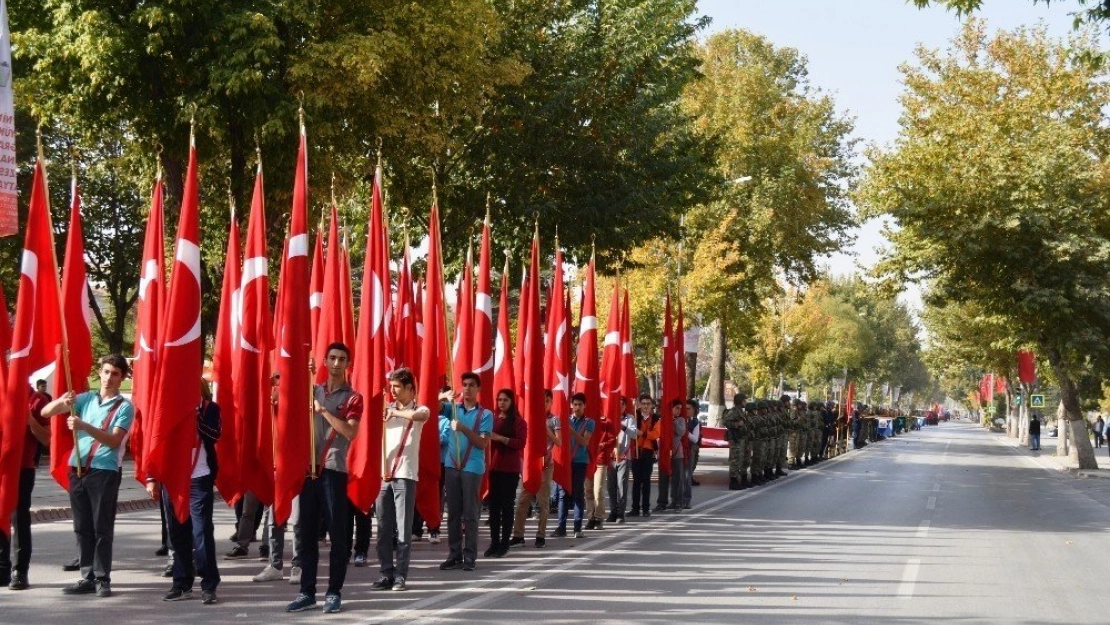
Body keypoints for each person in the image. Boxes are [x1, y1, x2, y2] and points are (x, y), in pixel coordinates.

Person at [42, 354, 135, 598]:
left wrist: (85, 426)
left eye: (115, 373)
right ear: (100, 373)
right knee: (82, 526)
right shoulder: (86, 399)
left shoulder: (124, 406)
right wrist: (62, 400)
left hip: (104, 470)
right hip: (78, 468)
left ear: (122, 377)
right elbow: (45, 412)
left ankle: (103, 578)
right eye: (106, 372)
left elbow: (114, 440)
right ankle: (86, 575)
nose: (109, 378)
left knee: (101, 527)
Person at [286, 342, 364, 614]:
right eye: (331, 358)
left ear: (347, 364)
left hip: (333, 471)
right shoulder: (313, 389)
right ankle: (306, 592)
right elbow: (287, 407)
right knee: (306, 535)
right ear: (324, 361)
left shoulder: (353, 398)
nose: (336, 363)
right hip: (308, 470)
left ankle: (334, 592)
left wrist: (323, 411)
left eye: (342, 359)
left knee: (338, 536)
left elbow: (351, 432)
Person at [148, 381, 222, 604]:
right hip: (174, 478)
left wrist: (195, 415)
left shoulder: (210, 408)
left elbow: (214, 435)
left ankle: (209, 585)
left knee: (201, 532)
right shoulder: (168, 409)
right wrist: (152, 477)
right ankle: (181, 583)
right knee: (177, 532)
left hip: (199, 478)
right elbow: (156, 442)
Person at [369, 367, 428, 593]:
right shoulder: (385, 410)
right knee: (383, 528)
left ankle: (401, 575)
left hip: (405, 474)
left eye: (397, 387)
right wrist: (387, 413)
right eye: (391, 386)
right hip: (384, 475)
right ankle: (386, 573)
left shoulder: (419, 408)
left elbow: (420, 416)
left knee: (403, 530)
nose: (393, 391)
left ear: (410, 389)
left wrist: (395, 414)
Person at [438, 372, 492, 572]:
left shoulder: (485, 415)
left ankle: (470, 555)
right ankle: (454, 555)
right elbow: (429, 405)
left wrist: (463, 429)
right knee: (452, 513)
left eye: (471, 385)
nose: (467, 389)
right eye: (464, 385)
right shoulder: (453, 408)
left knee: (470, 514)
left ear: (478, 389)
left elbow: (482, 442)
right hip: (452, 465)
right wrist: (444, 397)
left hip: (472, 468)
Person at [0, 386, 51, 589]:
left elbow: (47, 438)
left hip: (22, 468)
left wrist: (30, 421)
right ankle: (2, 567)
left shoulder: (36, 399)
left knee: (19, 518)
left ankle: (20, 571)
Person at [510, 390, 560, 548]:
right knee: (523, 500)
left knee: (542, 501)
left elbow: (559, 442)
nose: (544, 404)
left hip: (546, 464)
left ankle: (541, 535)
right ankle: (518, 535)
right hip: (531, 464)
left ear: (551, 402)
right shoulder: (530, 418)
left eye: (547, 400)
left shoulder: (554, 420)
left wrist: (546, 430)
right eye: (541, 401)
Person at [484, 389, 526, 557]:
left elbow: (520, 443)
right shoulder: (492, 419)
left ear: (511, 402)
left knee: (507, 507)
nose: (501, 403)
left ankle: (504, 543)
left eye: (505, 400)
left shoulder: (518, 422)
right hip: (494, 468)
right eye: (499, 399)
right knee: (493, 508)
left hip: (510, 469)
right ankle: (494, 542)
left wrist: (500, 438)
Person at [554, 393, 595, 539]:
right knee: (563, 495)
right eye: (575, 404)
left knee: (577, 494)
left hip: (580, 462)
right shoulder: (562, 419)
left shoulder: (589, 422)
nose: (577, 407)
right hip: (564, 462)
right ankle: (561, 527)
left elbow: (584, 442)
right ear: (571, 405)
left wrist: (570, 430)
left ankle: (577, 528)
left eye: (580, 405)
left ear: (584, 406)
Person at [605, 397, 637, 523]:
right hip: (611, 456)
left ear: (625, 406)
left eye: (622, 405)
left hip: (624, 456)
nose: (620, 407)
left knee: (621, 485)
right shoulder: (610, 418)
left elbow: (634, 435)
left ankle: (620, 513)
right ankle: (613, 511)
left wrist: (623, 427)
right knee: (611, 486)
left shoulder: (630, 418)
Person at [629, 395, 659, 517]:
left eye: (648, 403)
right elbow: (630, 431)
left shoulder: (656, 418)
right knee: (636, 481)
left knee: (646, 480)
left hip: (648, 451)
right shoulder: (634, 417)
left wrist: (642, 433)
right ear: (639, 404)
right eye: (643, 403)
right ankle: (635, 508)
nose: (646, 406)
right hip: (636, 451)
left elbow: (656, 434)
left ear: (651, 405)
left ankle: (645, 508)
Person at [654, 399, 686, 512]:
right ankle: (661, 502)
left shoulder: (681, 420)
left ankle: (677, 502)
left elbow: (681, 432)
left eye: (680, 409)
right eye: (677, 408)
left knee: (677, 479)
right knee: (663, 478)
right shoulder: (662, 420)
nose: (679, 411)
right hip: (664, 452)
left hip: (677, 453)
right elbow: (656, 433)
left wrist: (673, 421)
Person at [585, 409, 614, 530]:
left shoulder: (607, 421)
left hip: (600, 459)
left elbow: (612, 440)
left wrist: (602, 445)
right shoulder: (585, 421)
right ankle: (590, 517)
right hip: (587, 459)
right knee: (588, 491)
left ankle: (599, 517)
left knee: (598, 490)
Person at [686, 399, 702, 488]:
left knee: (692, 465)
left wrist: (685, 432)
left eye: (688, 408)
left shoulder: (695, 422)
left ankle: (690, 478)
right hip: (681, 449)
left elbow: (695, 439)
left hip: (692, 447)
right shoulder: (680, 420)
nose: (686, 411)